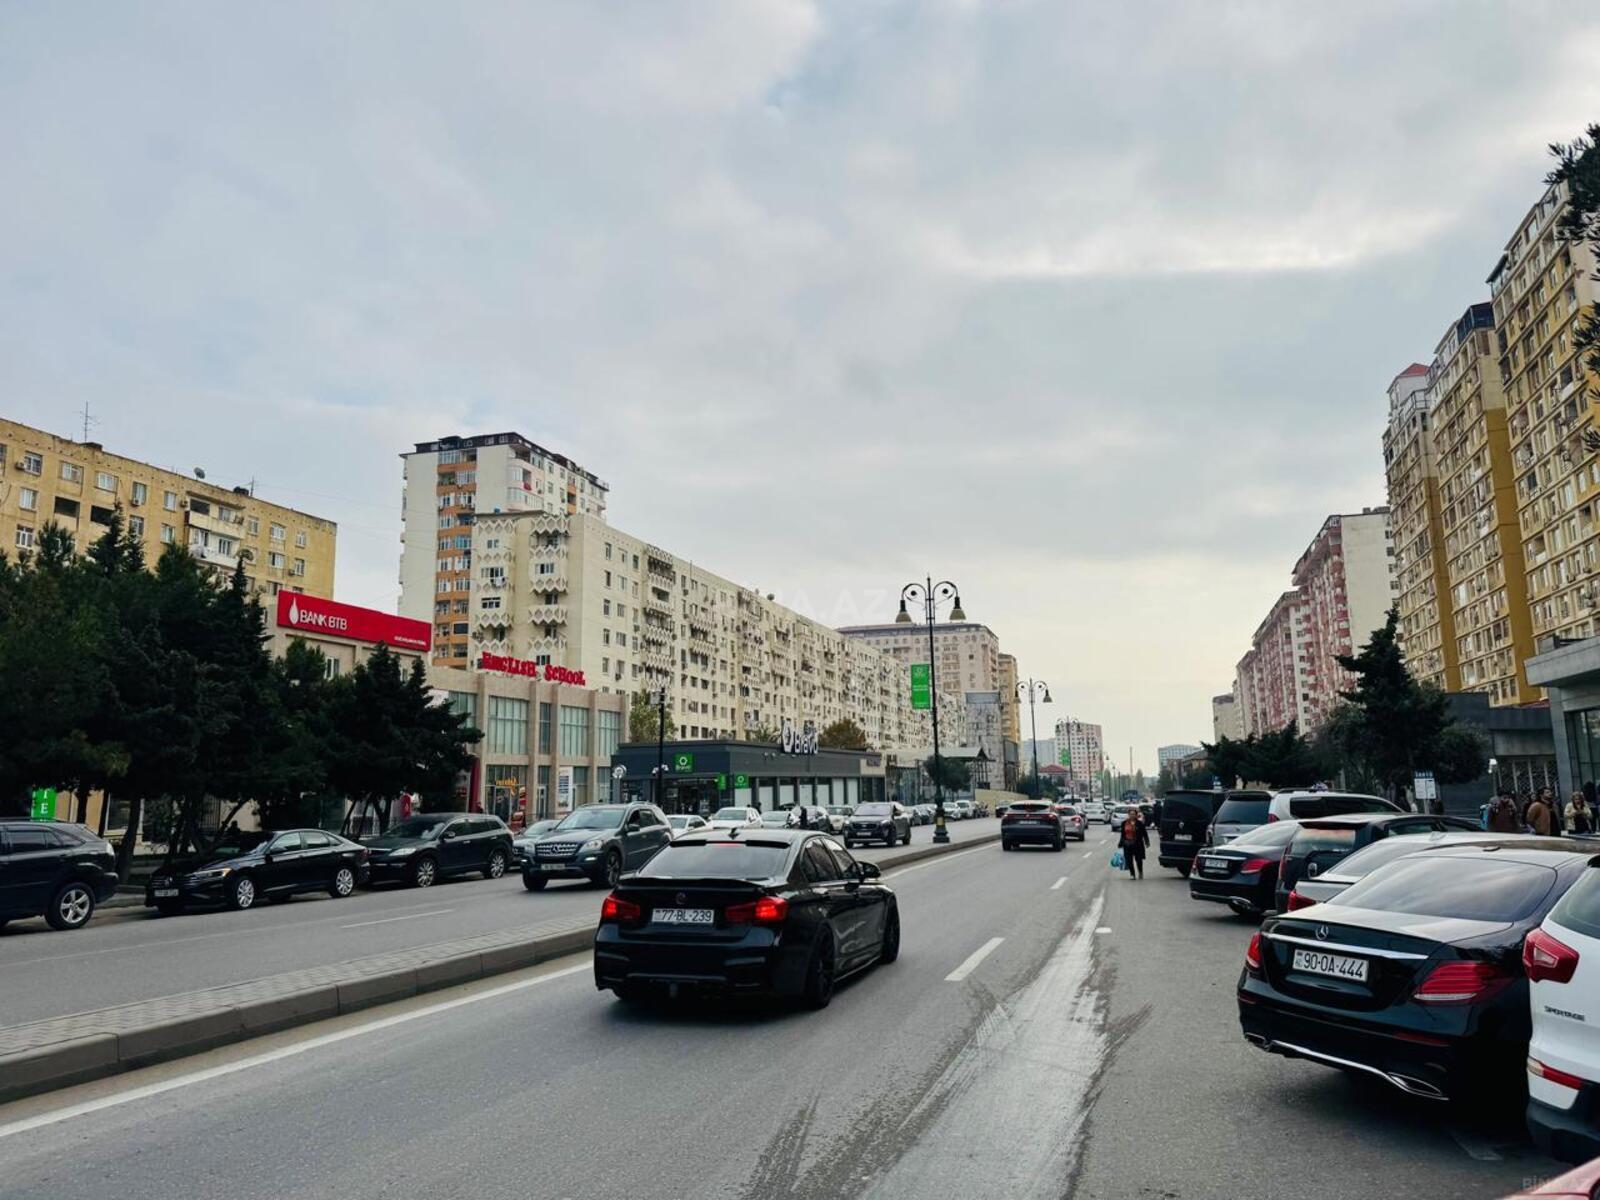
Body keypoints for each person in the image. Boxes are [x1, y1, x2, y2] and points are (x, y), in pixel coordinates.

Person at [1118, 810, 1148, 880]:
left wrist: (1147, 842)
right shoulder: (1124, 823)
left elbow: (1144, 833)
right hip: (1127, 844)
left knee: (1138, 859)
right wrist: (1121, 843)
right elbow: (1122, 834)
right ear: (1128, 815)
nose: (1132, 815)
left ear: (1136, 815)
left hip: (1137, 844)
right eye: (1131, 814)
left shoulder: (1139, 823)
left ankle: (1140, 872)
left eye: (1134, 814)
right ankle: (1132, 874)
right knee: (1129, 860)